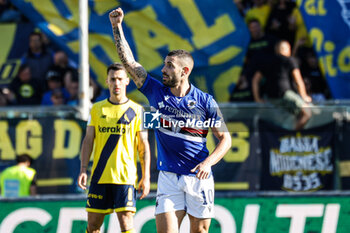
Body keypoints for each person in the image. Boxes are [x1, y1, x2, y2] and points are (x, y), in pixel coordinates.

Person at [109, 8, 232, 233]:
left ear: (184, 71)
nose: (163, 70)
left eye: (169, 66)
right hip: (168, 178)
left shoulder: (205, 101)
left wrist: (208, 163)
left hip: (198, 177)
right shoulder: (156, 91)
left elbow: (225, 139)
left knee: (200, 231)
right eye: (165, 64)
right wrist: (117, 27)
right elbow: (130, 63)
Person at [77, 63, 151, 233]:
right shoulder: (96, 109)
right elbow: (88, 140)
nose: (116, 83)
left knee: (126, 223)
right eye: (113, 79)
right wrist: (82, 169)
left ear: (127, 81)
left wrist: (146, 176)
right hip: (99, 175)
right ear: (107, 82)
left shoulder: (138, 110)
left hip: (125, 177)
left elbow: (144, 145)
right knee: (93, 225)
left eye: (119, 79)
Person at [252, 40, 312, 130]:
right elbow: (298, 80)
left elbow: (255, 80)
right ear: (287, 49)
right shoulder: (289, 60)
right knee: (307, 113)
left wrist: (257, 99)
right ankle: (291, 137)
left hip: (270, 98)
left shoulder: (267, 61)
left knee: (292, 117)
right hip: (284, 95)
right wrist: (304, 97)